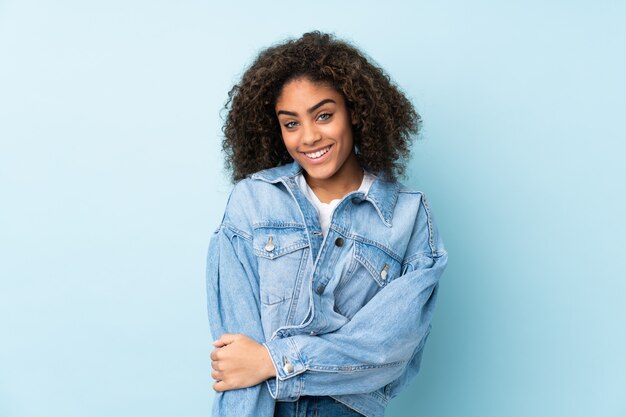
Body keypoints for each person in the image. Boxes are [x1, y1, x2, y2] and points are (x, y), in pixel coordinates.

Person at [206, 31, 448, 417]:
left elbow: (388, 347)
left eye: (323, 115)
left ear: (355, 111)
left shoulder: (407, 216)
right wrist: (256, 365)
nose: (309, 137)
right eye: (291, 123)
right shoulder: (253, 200)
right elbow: (237, 356)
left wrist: (272, 362)